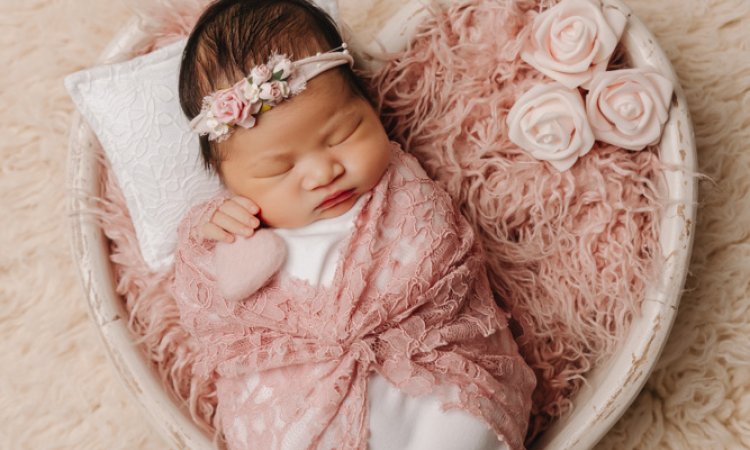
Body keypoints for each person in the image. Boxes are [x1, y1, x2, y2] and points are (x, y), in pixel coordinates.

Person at [173, 1, 536, 449]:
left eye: (342, 134)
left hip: (426, 381)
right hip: (305, 400)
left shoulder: (402, 191)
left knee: (462, 425)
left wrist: (362, 323)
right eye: (278, 169)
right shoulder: (236, 224)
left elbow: (446, 260)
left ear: (369, 105)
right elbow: (210, 314)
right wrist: (213, 239)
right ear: (227, 182)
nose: (322, 173)